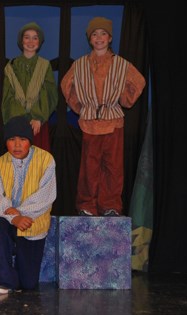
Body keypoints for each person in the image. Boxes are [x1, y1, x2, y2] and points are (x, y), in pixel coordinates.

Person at [60, 16, 145, 217]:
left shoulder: (121, 64)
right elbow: (66, 86)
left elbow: (138, 81)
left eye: (103, 34)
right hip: (90, 123)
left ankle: (111, 206)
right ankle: (86, 205)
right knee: (89, 167)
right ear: (90, 39)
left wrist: (124, 99)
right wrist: (81, 107)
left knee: (113, 167)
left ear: (110, 38)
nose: (99, 38)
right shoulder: (80, 64)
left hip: (114, 122)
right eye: (95, 34)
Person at [0, 115, 56, 296]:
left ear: (30, 141)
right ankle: (3, 280)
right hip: (7, 219)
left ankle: (16, 275)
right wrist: (13, 217)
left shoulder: (46, 160)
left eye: (22, 140)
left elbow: (46, 196)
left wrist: (21, 214)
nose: (17, 145)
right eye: (11, 140)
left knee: (29, 284)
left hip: (32, 221)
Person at [1, 22, 58, 152]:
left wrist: (38, 117)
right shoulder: (11, 66)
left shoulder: (44, 65)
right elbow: (7, 96)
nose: (30, 41)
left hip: (37, 124)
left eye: (35, 37)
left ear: (40, 42)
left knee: (37, 159)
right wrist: (18, 118)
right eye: (27, 37)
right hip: (17, 121)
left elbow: (49, 95)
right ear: (21, 41)